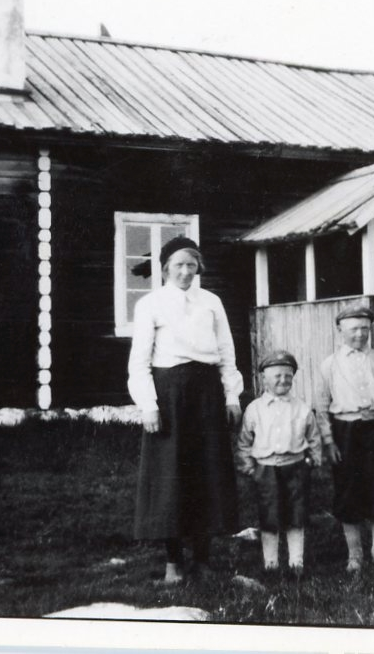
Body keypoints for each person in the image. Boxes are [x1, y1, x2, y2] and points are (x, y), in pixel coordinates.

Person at [127, 236, 244, 584]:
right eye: (178, 264)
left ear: (199, 268)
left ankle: (203, 559)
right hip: (169, 395)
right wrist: (148, 406)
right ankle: (173, 562)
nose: (185, 271)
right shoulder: (150, 304)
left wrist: (231, 396)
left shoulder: (211, 302)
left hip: (207, 392)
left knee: (208, 473)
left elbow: (226, 351)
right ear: (165, 268)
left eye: (191, 265)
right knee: (170, 477)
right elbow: (139, 362)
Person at [314, 305, 374, 573]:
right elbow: (321, 407)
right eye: (353, 329)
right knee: (347, 491)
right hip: (345, 432)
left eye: (365, 328)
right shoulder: (330, 365)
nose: (360, 334)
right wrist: (329, 441)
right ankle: (354, 555)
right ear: (340, 330)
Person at [235, 350, 322, 577]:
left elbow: (313, 436)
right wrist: (249, 466)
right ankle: (271, 564)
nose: (283, 380)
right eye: (277, 376)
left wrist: (313, 457)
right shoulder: (255, 409)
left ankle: (296, 563)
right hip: (266, 469)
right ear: (264, 378)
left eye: (288, 376)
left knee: (296, 514)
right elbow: (244, 441)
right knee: (269, 515)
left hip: (296, 467)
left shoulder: (301, 408)